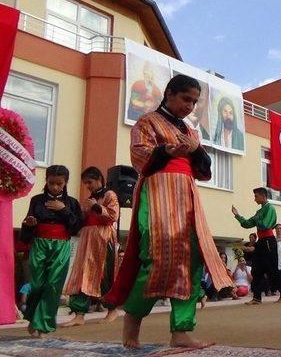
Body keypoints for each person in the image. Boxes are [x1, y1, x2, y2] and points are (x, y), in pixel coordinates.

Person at [104, 74, 234, 349]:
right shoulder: (147, 122)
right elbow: (140, 157)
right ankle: (134, 316)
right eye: (186, 99)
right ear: (170, 93)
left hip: (186, 196)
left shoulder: (190, 131)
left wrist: (197, 150)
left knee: (191, 259)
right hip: (157, 193)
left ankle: (181, 331)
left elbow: (204, 170)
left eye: (194, 102)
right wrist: (167, 150)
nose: (190, 106)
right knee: (157, 257)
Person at [20, 165, 82, 337]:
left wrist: (63, 210)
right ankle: (33, 317)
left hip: (61, 245)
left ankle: (43, 325)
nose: (55, 187)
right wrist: (29, 224)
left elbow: (77, 226)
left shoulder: (72, 203)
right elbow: (27, 229)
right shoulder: (36, 200)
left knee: (53, 285)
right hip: (39, 244)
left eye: (59, 184)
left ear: (65, 183)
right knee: (37, 284)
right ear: (46, 181)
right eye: (51, 183)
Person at [62, 167, 120, 327]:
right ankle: (79, 314)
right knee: (81, 273)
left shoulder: (110, 195)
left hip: (103, 237)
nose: (88, 186)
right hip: (87, 238)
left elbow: (113, 216)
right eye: (86, 183)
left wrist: (96, 207)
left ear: (99, 179)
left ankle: (112, 309)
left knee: (105, 273)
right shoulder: (89, 199)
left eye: (90, 182)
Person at [232, 187, 281, 304]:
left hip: (268, 240)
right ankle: (257, 298)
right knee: (256, 270)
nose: (255, 199)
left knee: (272, 269)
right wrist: (237, 215)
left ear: (263, 196)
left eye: (256, 196)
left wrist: (256, 219)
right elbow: (247, 224)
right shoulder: (260, 211)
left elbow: (265, 225)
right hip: (262, 242)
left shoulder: (270, 208)